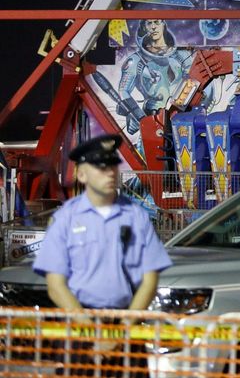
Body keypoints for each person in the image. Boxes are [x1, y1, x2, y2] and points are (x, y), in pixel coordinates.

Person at [32, 134, 173, 375]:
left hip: (126, 325)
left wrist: (121, 330)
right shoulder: (65, 219)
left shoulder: (136, 216)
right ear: (82, 175)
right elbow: (56, 286)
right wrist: (93, 333)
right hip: (79, 328)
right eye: (101, 167)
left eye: (112, 166)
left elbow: (149, 280)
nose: (110, 172)